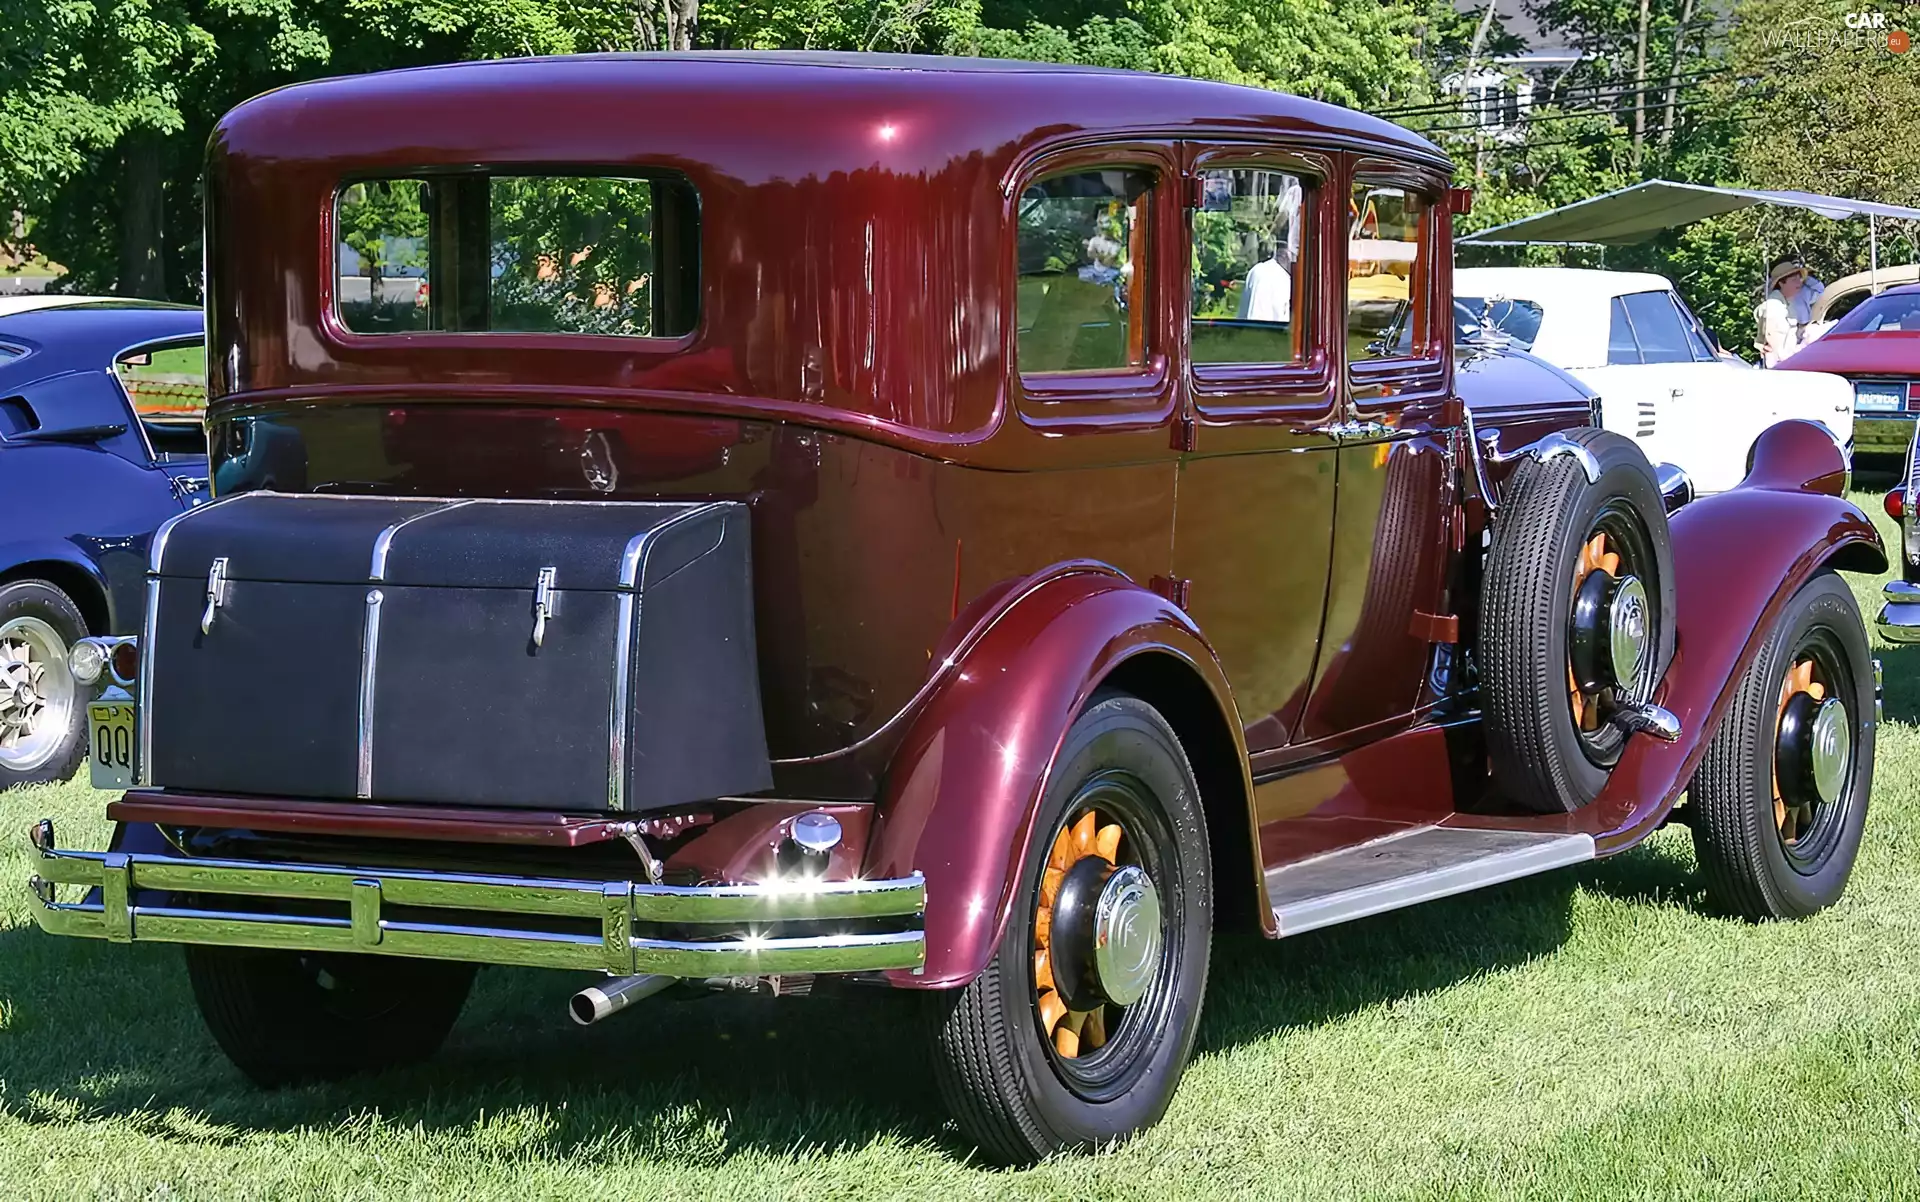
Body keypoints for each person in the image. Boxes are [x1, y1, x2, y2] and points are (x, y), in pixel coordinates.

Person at [1754, 258, 1826, 365]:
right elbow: (1777, 351)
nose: (1799, 283)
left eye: (1799, 279)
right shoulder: (1774, 308)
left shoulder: (1788, 303)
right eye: (1794, 280)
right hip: (1779, 367)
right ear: (1782, 283)